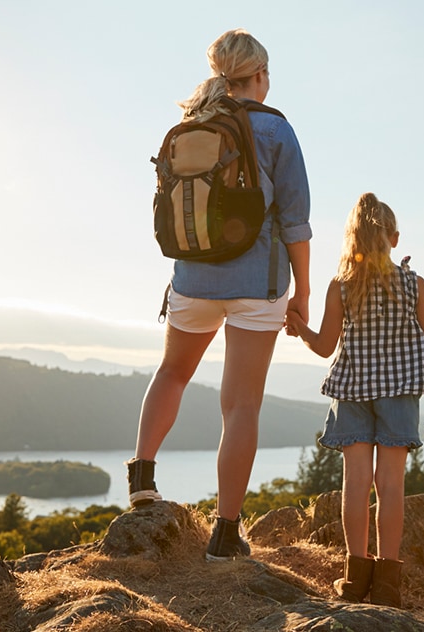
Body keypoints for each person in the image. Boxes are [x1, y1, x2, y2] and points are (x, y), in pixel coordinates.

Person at [128, 29, 313, 561]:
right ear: (260, 76)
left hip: (192, 278)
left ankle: (142, 477)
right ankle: (225, 533)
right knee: (241, 405)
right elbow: (295, 223)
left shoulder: (194, 123)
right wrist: (301, 293)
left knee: (173, 373)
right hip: (258, 283)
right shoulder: (276, 129)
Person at [285, 193, 424, 608]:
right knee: (390, 486)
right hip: (400, 392)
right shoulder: (415, 284)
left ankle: (355, 578)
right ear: (393, 237)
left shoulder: (341, 285)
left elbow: (323, 347)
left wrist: (299, 328)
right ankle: (389, 582)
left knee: (355, 484)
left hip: (352, 389)